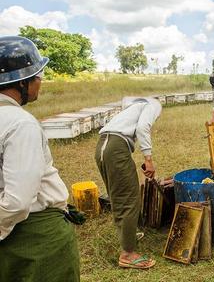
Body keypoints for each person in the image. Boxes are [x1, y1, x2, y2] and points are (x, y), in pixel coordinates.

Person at [0, 36, 80, 281]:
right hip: (36, 238)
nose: (40, 82)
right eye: (37, 76)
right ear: (22, 82)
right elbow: (17, 201)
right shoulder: (20, 123)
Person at [95, 96, 161, 269]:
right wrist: (148, 159)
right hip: (116, 148)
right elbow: (143, 127)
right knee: (130, 199)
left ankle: (127, 236)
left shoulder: (131, 107)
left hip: (102, 145)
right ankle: (128, 254)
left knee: (117, 196)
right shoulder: (153, 104)